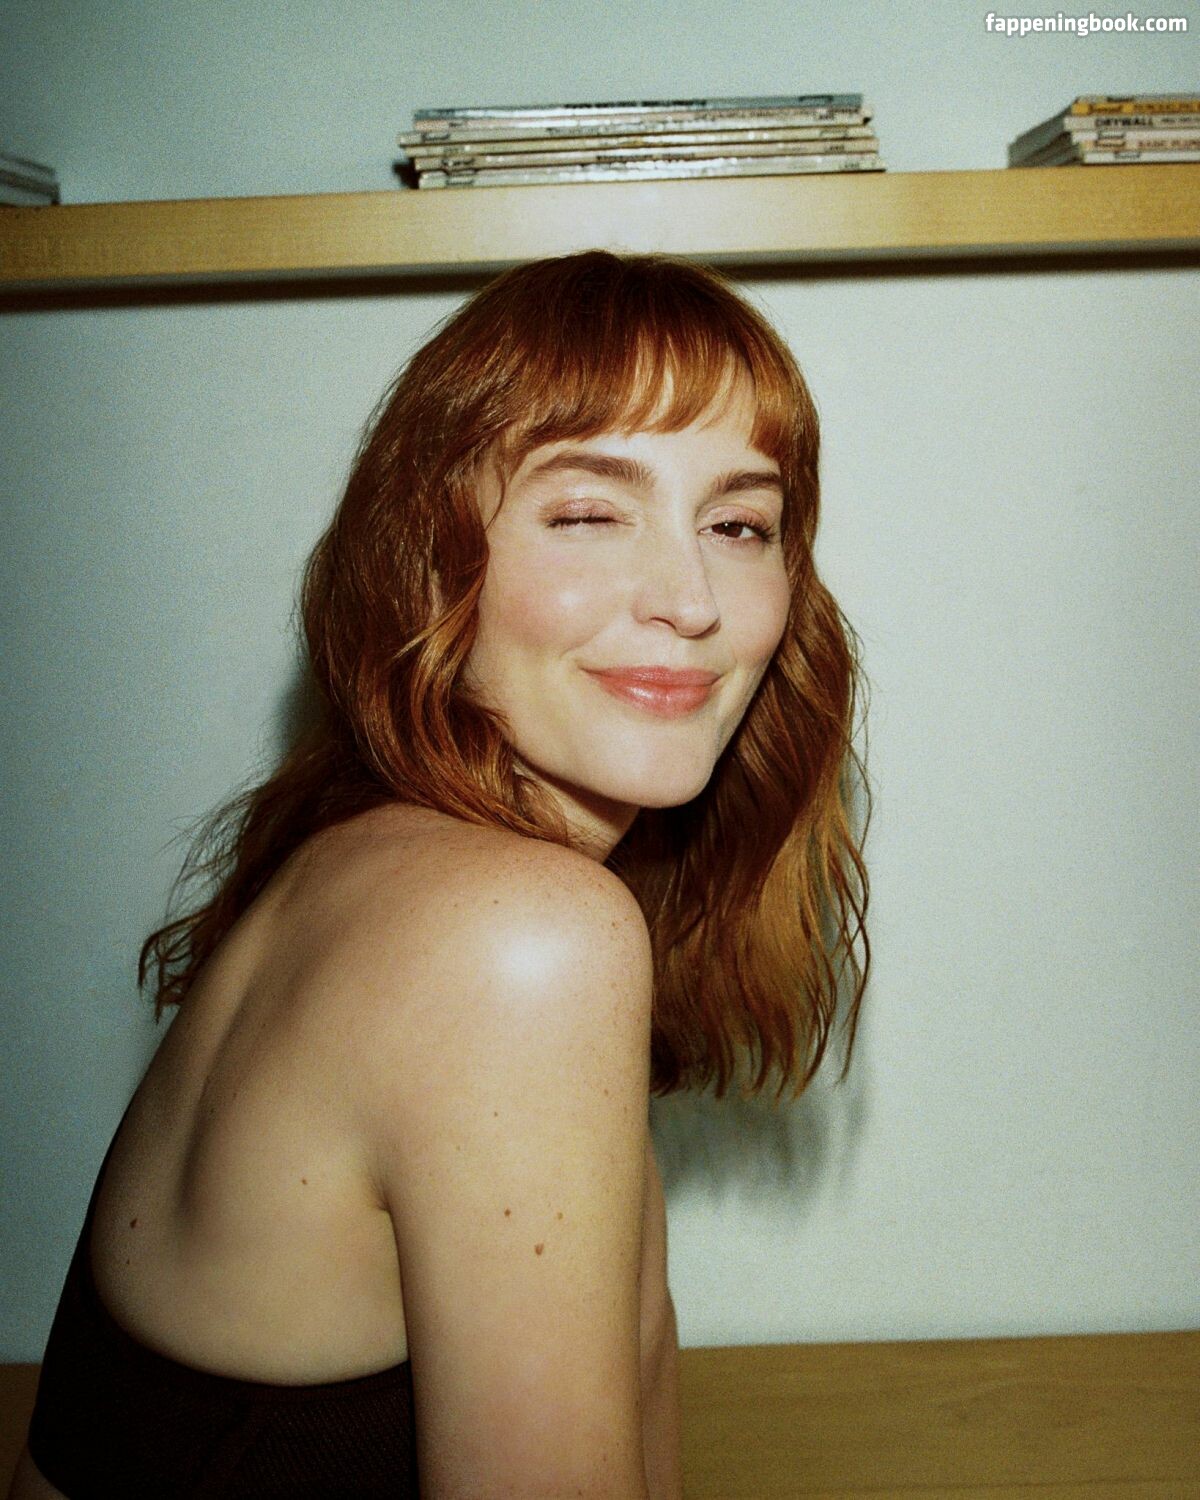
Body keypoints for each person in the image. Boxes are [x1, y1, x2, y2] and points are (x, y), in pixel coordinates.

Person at [9, 249, 869, 1499]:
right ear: (429, 560)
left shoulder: (376, 855)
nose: (690, 600)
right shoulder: (518, 938)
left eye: (739, 525)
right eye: (588, 513)